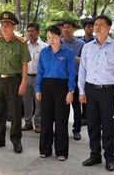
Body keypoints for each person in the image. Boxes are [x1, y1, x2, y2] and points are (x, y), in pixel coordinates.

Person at [79, 15, 114, 172]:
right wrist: (82, 90)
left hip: (108, 91)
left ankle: (109, 158)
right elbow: (82, 71)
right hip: (91, 90)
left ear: (109, 28)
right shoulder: (87, 47)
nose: (97, 27)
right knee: (92, 125)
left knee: (108, 126)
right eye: (95, 24)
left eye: (100, 24)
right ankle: (95, 155)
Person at [0, 11, 31, 154]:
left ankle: (16, 140)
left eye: (8, 25)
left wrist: (23, 82)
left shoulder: (21, 43)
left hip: (14, 80)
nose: (4, 27)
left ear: (14, 27)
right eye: (2, 25)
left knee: (15, 112)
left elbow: (24, 64)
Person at [35, 25, 75, 161]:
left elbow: (71, 74)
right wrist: (38, 89)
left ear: (60, 37)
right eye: (48, 37)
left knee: (61, 120)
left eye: (54, 37)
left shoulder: (68, 53)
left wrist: (71, 91)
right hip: (46, 86)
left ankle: (61, 151)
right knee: (46, 119)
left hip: (62, 87)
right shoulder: (44, 52)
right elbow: (40, 71)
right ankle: (45, 149)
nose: (51, 40)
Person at [61, 20, 85, 141]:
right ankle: (61, 129)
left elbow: (86, 62)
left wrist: (79, 59)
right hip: (61, 79)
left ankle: (77, 130)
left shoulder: (81, 44)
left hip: (75, 78)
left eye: (68, 27)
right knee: (61, 106)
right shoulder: (58, 42)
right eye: (64, 27)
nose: (66, 29)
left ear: (73, 29)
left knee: (76, 106)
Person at [22, 23, 47, 133]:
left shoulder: (44, 47)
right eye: (28, 31)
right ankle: (28, 122)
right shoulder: (24, 46)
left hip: (39, 78)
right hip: (26, 76)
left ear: (38, 32)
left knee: (39, 102)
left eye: (32, 31)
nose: (30, 33)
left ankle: (38, 123)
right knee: (26, 101)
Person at [80, 18, 95, 125]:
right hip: (82, 73)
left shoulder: (96, 41)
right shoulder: (80, 42)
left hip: (93, 74)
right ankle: (84, 116)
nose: (90, 28)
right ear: (84, 28)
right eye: (88, 26)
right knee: (83, 95)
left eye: (92, 26)